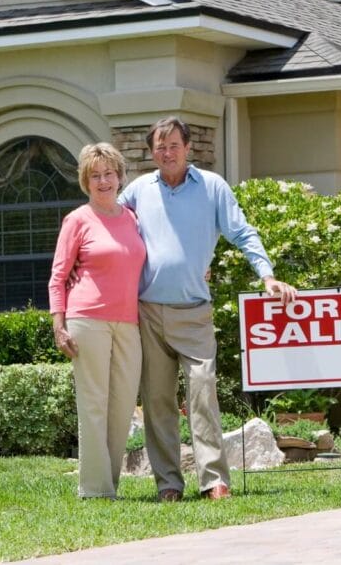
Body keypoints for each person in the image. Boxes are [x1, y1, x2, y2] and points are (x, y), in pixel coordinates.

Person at [119, 117, 296, 502]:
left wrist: (267, 275)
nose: (167, 153)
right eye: (160, 147)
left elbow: (242, 232)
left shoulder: (212, 187)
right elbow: (110, 228)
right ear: (153, 152)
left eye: (174, 146)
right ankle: (168, 483)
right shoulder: (137, 191)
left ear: (188, 149)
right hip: (148, 310)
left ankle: (214, 480)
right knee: (158, 401)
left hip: (195, 312)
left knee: (202, 393)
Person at [48, 142, 146, 500]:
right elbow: (58, 277)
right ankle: (94, 489)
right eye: (95, 175)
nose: (103, 181)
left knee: (121, 407)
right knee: (93, 404)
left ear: (120, 176)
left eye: (109, 173)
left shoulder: (133, 218)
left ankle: (111, 484)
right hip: (86, 320)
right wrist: (58, 326)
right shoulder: (77, 220)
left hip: (129, 322)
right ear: (85, 182)